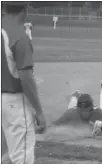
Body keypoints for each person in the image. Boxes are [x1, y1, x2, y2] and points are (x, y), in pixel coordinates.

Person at [1, 2, 46, 164]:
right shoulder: (20, 36)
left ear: (3, 8)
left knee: (4, 156)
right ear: (25, 10)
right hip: (15, 103)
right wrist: (39, 111)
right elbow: (26, 78)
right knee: (22, 157)